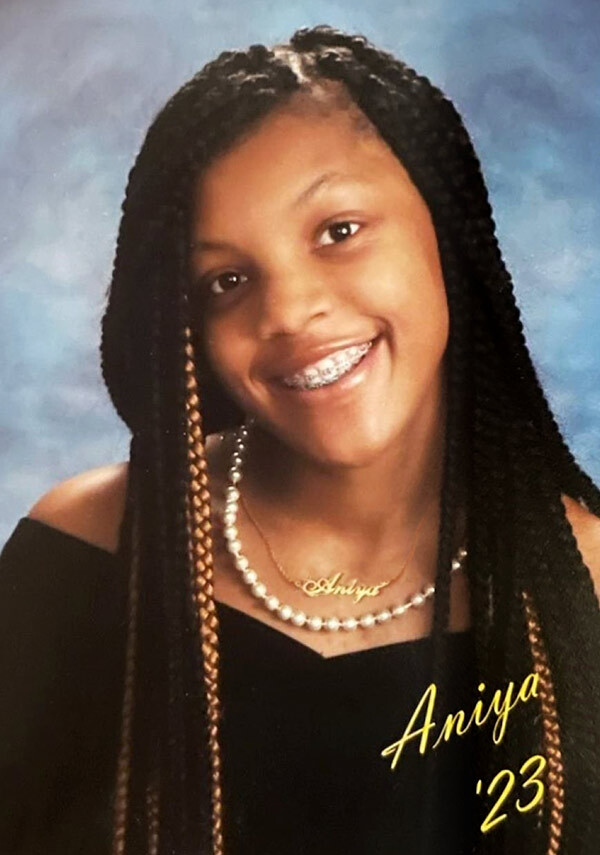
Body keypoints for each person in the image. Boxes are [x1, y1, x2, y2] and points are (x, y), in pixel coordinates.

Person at [1, 22, 600, 855]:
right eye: (228, 280)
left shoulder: (585, 586)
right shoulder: (85, 553)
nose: (286, 313)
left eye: (339, 231)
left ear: (445, 229)